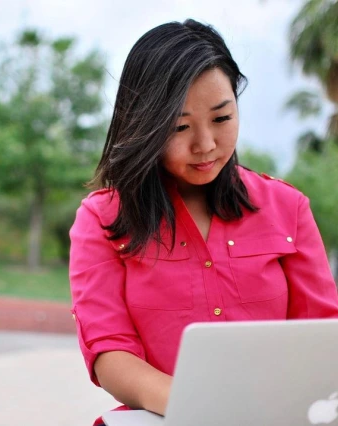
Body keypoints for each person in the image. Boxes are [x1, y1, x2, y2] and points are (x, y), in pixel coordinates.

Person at [68, 19, 338, 426]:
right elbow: (111, 354)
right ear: (143, 124)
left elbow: (322, 336)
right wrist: (203, 407)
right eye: (179, 127)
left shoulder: (288, 208)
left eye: (222, 118)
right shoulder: (103, 219)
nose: (206, 145)